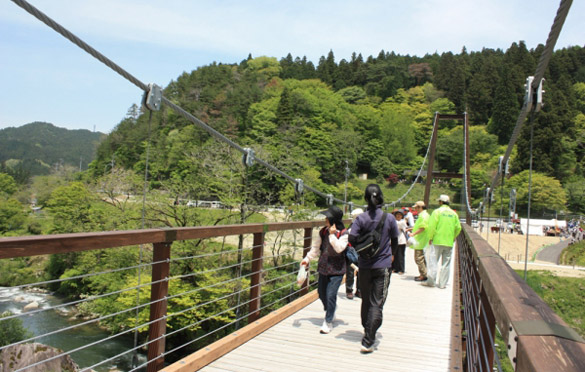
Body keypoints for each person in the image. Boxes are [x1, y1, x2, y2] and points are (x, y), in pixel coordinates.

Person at [348, 184, 399, 353]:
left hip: (364, 266)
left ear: (365, 198)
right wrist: (392, 257)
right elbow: (395, 241)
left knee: (366, 299)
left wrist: (363, 249)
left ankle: (367, 329)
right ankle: (369, 339)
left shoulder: (361, 218)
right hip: (383, 266)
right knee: (377, 302)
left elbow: (352, 237)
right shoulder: (390, 218)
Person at [301, 205, 348, 334]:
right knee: (321, 293)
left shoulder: (344, 233)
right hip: (323, 267)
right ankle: (330, 310)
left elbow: (339, 248)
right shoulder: (323, 231)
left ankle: (328, 322)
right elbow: (316, 248)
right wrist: (307, 259)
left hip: (337, 269)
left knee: (331, 294)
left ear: (333, 219)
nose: (325, 219)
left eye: (327, 217)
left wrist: (332, 235)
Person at [424, 194, 462, 289]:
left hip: (437, 240)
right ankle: (442, 284)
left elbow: (432, 226)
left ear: (440, 202)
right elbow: (458, 228)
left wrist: (430, 238)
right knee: (446, 263)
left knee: (433, 261)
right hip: (448, 242)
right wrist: (453, 237)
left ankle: (431, 282)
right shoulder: (454, 214)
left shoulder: (437, 212)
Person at [345, 208, 364, 299]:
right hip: (352, 251)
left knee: (360, 272)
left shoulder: (364, 226)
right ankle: (350, 290)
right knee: (350, 272)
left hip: (361, 251)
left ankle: (358, 290)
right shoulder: (352, 227)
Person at [409, 201, 429, 282]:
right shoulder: (426, 215)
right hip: (422, 240)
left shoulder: (423, 216)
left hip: (420, 240)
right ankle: (423, 273)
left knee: (418, 258)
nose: (415, 209)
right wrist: (411, 229)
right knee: (421, 258)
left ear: (420, 207)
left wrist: (413, 233)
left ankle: (423, 275)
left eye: (416, 207)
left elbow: (423, 227)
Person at [391, 209, 407, 275]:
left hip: (401, 240)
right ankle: (395, 268)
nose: (398, 216)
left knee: (400, 256)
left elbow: (403, 227)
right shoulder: (394, 221)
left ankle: (401, 269)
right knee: (395, 255)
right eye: (397, 215)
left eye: (400, 215)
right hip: (394, 240)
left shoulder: (402, 222)